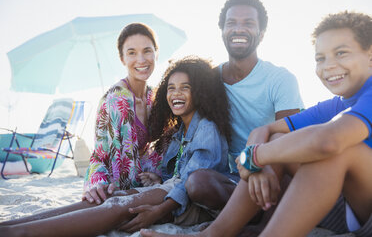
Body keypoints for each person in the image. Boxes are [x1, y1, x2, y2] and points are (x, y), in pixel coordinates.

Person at [140, 11, 372, 237]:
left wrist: (255, 158)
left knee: (339, 150)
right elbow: (265, 130)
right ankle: (213, 234)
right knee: (281, 140)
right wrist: (256, 164)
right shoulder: (336, 104)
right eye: (320, 58)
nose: (329, 65)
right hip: (342, 207)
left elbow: (327, 142)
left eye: (341, 53)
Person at [0, 56, 232, 236]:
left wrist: (159, 210)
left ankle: (19, 233)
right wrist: (157, 179)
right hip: (173, 190)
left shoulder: (207, 127)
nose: (176, 93)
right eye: (171, 87)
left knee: (119, 206)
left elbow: (193, 180)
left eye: (185, 87)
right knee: (111, 198)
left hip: (191, 205)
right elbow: (178, 173)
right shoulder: (180, 131)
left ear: (200, 91)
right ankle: (12, 225)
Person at [181, 0, 303, 225]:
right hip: (236, 176)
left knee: (278, 141)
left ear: (262, 33)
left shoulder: (280, 78)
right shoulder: (209, 80)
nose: (238, 29)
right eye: (231, 23)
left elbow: (288, 143)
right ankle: (251, 211)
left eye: (248, 23)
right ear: (223, 31)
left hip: (275, 169)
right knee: (197, 184)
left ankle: (265, 223)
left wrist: (256, 164)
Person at [83, 22, 162, 205]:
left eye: (147, 51)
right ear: (122, 59)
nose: (141, 60)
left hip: (141, 182)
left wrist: (156, 175)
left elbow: (156, 150)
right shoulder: (117, 99)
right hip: (110, 184)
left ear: (156, 53)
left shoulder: (154, 97)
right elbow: (101, 156)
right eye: (132, 53)